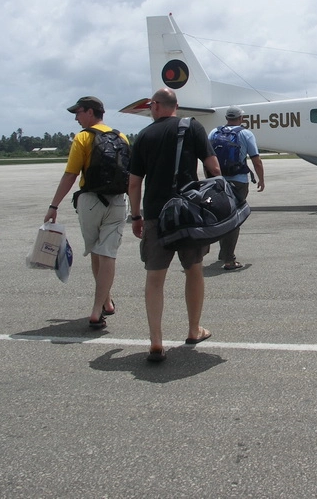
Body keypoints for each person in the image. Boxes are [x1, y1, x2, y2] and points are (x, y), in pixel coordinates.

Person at [127, 88, 221, 363]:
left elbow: (134, 182)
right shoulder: (192, 127)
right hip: (188, 213)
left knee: (155, 278)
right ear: (176, 107)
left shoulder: (144, 135)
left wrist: (136, 216)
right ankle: (194, 330)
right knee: (194, 270)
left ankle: (156, 341)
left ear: (155, 106)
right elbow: (213, 168)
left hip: (157, 214)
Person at [44, 96, 128, 330]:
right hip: (118, 201)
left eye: (78, 112)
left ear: (91, 112)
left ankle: (96, 309)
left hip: (90, 201)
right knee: (108, 254)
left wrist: (54, 206)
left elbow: (71, 174)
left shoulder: (83, 138)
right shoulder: (121, 137)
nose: (76, 117)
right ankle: (106, 303)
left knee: (95, 251)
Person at [208, 105, 265, 271]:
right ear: (240, 118)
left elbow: (208, 157)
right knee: (234, 219)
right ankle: (229, 259)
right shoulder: (245, 133)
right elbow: (256, 160)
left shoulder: (213, 133)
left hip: (217, 181)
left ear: (226, 117)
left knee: (221, 215)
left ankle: (223, 252)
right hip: (238, 182)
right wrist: (261, 179)